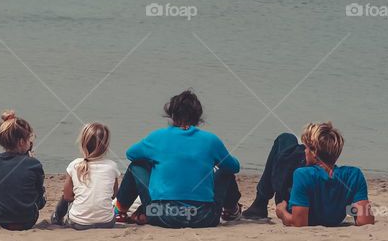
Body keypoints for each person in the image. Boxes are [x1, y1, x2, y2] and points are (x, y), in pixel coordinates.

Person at [115, 90, 242, 228]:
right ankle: (230, 211)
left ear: (172, 114)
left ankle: (120, 211)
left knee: (136, 166)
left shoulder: (157, 137)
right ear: (198, 116)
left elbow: (131, 154)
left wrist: (156, 160)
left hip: (162, 214)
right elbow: (234, 167)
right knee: (225, 170)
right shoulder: (211, 140)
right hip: (205, 217)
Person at [275, 122, 375, 227]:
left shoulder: (302, 174)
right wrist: (353, 206)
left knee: (285, 139)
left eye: (307, 148)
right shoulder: (354, 175)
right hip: (330, 212)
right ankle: (260, 203)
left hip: (298, 203)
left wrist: (281, 212)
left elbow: (299, 223)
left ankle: (261, 202)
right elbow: (365, 222)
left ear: (314, 152)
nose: (305, 151)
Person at [0, 110, 46, 230]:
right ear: (22, 142)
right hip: (26, 221)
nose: (31, 142)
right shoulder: (33, 164)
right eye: (29, 139)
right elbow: (41, 202)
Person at [51, 123, 120, 229]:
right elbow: (113, 194)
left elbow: (67, 197)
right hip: (106, 222)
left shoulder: (75, 165)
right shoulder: (112, 166)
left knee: (65, 195)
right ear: (106, 146)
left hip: (79, 223)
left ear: (83, 143)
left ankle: (57, 218)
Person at [242, 132, 307, 219]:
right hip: (301, 202)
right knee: (290, 146)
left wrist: (283, 212)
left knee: (286, 139)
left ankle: (261, 201)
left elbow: (298, 221)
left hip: (289, 204)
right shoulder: (326, 170)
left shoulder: (308, 171)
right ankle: (260, 201)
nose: (306, 149)